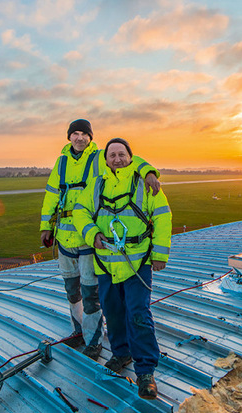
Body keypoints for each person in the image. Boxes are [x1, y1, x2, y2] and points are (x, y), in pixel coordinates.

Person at [39, 119, 160, 360]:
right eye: (75, 133)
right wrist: (45, 226)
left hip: (88, 237)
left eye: (84, 134)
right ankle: (79, 331)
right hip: (64, 237)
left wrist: (148, 172)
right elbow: (52, 194)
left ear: (90, 138)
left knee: (90, 292)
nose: (79, 138)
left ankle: (93, 341)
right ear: (69, 137)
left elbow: (128, 160)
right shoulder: (61, 162)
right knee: (72, 290)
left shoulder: (98, 158)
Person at [72, 138, 171, 399]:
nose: (117, 159)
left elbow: (162, 216)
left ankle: (145, 371)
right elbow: (80, 211)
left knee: (138, 314)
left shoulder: (145, 183)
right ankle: (121, 353)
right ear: (106, 160)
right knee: (113, 313)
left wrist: (160, 254)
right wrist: (91, 233)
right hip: (106, 264)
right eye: (112, 155)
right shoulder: (97, 184)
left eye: (122, 154)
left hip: (137, 263)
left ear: (130, 157)